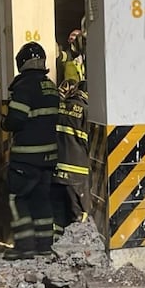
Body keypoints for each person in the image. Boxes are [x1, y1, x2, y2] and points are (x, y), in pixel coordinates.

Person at [1, 42, 60, 260]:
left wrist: (4, 123)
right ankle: (45, 246)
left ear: (21, 63)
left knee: (17, 199)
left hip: (26, 157)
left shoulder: (24, 87)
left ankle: (24, 246)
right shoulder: (51, 86)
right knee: (42, 200)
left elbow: (16, 119)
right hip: (49, 157)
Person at [52, 80, 90, 231]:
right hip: (77, 175)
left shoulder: (59, 106)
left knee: (58, 217)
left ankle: (57, 248)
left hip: (55, 172)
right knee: (78, 216)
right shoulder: (87, 111)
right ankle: (75, 249)